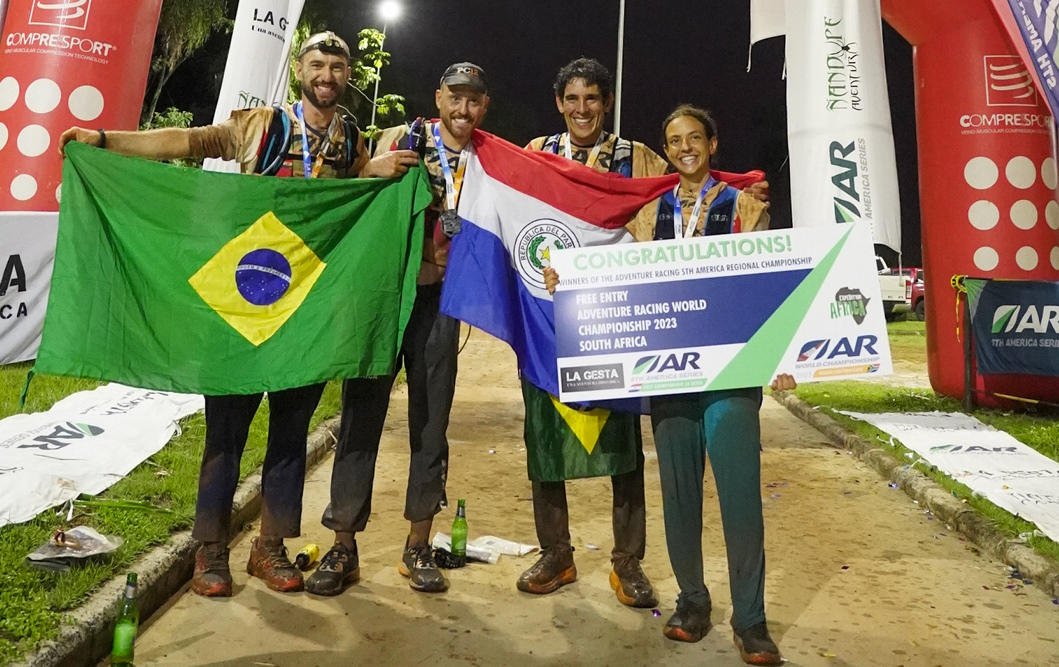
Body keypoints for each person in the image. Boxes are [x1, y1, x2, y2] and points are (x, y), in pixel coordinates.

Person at [58, 31, 419, 598]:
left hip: (304, 311)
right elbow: (188, 141)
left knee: (291, 432)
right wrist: (105, 140)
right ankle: (210, 549)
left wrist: (372, 173)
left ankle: (269, 547)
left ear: (348, 75)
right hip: (243, 301)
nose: (326, 75)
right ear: (300, 70)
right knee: (226, 432)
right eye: (317, 64)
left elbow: (354, 204)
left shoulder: (350, 140)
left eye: (336, 67)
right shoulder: (262, 126)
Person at [542, 105, 793, 666]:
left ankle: (751, 620)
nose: (685, 148)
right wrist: (571, 280)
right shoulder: (647, 214)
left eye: (694, 138)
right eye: (675, 141)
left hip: (731, 375)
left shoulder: (747, 207)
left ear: (712, 144)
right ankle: (693, 602)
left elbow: (765, 285)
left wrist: (783, 353)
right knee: (679, 495)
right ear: (667, 149)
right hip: (671, 373)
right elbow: (616, 273)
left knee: (739, 498)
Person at [305, 63, 490, 596]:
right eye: (455, 97)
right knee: (361, 414)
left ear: (484, 107)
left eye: (473, 100)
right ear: (439, 97)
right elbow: (345, 188)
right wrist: (371, 168)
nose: (463, 109)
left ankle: (418, 545)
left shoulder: (490, 161)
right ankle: (343, 546)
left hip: (440, 304)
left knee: (431, 423)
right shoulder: (398, 138)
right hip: (387, 297)